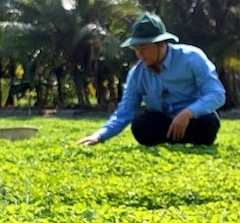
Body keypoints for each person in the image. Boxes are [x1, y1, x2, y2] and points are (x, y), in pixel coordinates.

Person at [78, 13, 226, 146]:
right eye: (136, 48)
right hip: (163, 122)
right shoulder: (137, 74)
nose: (140, 54)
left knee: (209, 122)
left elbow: (216, 94)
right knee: (141, 125)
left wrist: (187, 113)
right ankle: (176, 139)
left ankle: (187, 136)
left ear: (161, 43)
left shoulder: (192, 58)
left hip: (194, 119)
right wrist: (99, 136)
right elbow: (125, 111)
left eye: (144, 47)